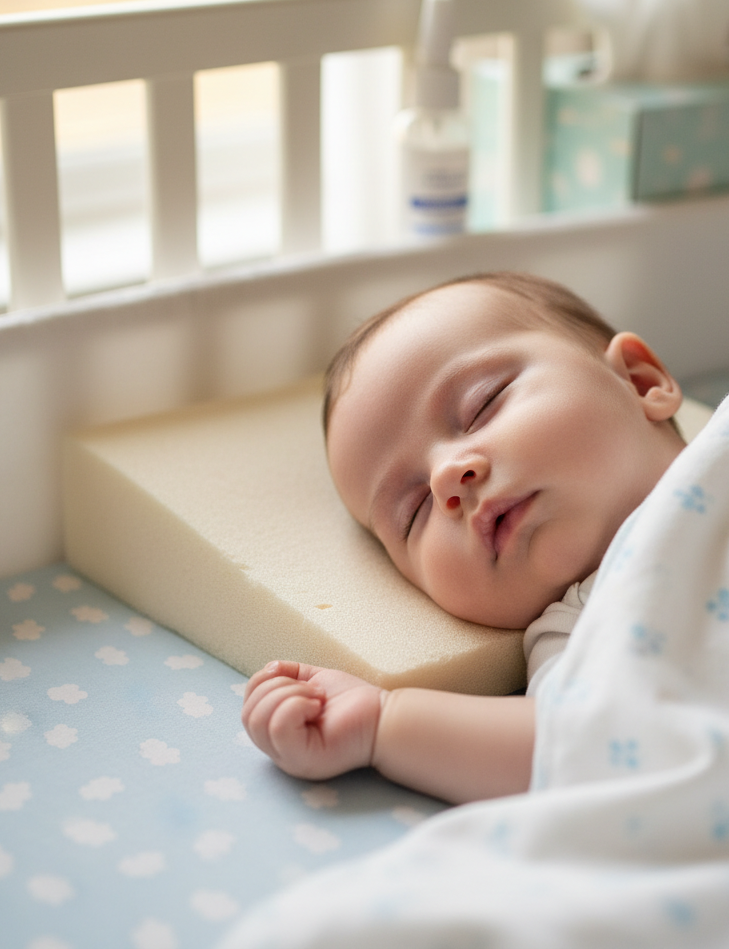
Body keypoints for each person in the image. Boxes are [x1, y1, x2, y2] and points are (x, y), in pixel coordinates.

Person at [241, 272, 687, 805]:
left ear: (638, 381)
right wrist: (382, 723)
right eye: (413, 512)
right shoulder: (580, 631)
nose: (446, 478)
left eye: (482, 405)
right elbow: (577, 746)